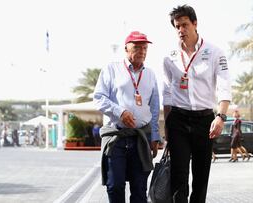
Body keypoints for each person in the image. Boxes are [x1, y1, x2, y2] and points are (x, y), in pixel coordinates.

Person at [163, 5, 232, 202]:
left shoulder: (214, 52)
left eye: (184, 25)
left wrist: (220, 116)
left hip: (205, 120)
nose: (180, 30)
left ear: (195, 24)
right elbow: (167, 93)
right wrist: (167, 124)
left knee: (201, 176)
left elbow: (224, 87)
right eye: (177, 26)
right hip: (178, 119)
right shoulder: (169, 56)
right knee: (179, 175)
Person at [93, 31, 160, 203]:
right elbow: (99, 98)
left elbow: (154, 108)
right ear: (126, 48)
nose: (142, 51)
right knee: (115, 185)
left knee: (139, 188)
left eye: (145, 48)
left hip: (140, 138)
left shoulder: (151, 74)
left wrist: (154, 137)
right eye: (137, 47)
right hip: (116, 137)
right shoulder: (111, 69)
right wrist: (119, 112)